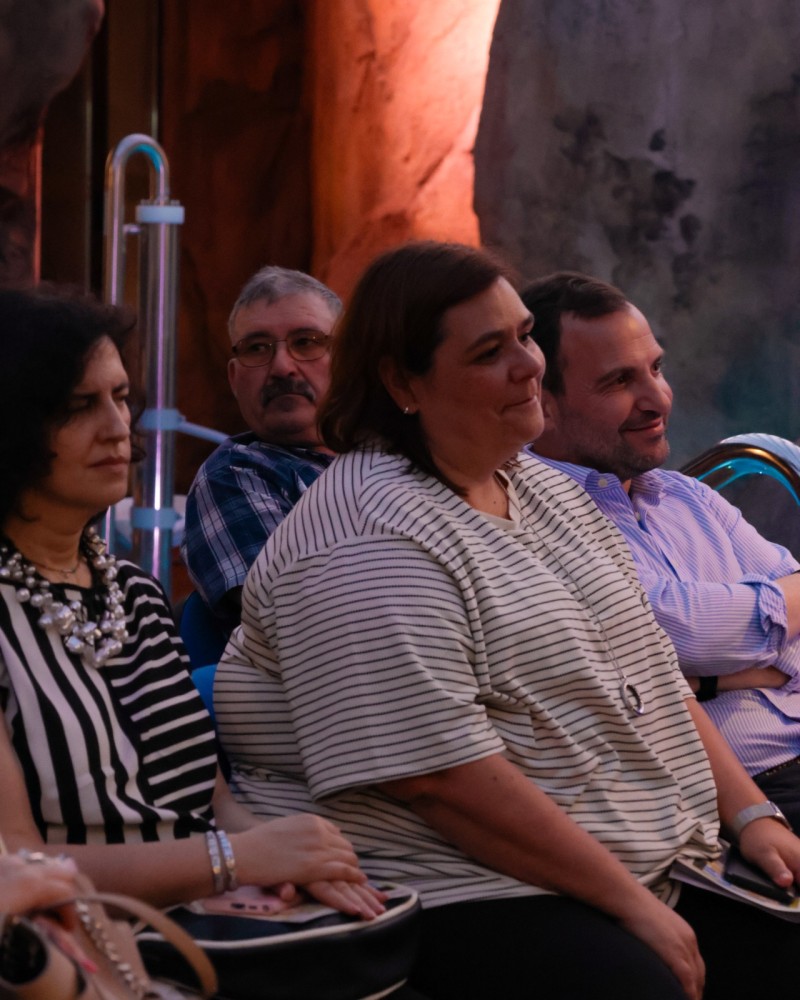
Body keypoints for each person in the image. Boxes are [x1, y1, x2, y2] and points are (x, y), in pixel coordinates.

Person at [215, 240, 800, 1000]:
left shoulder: (544, 492)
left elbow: (655, 675)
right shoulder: (367, 531)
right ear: (402, 382)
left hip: (646, 856)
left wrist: (753, 817)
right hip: (459, 882)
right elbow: (439, 779)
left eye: (525, 335)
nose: (530, 367)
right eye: (490, 352)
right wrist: (632, 907)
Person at [0, 285, 384, 921]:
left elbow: (215, 805)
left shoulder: (135, 593)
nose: (118, 427)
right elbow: (15, 865)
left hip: (206, 910)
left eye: (121, 397)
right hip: (78, 939)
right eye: (78, 406)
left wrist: (299, 864)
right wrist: (235, 859)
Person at [522, 271, 800, 832]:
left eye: (655, 368)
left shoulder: (686, 495)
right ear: (542, 402)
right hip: (743, 797)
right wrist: (744, 655)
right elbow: (677, 631)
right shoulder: (526, 512)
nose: (657, 399)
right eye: (619, 381)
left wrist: (713, 673)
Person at [182, 266, 340, 633]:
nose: (282, 367)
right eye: (257, 349)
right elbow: (302, 620)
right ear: (234, 379)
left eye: (307, 342)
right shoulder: (235, 476)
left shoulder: (399, 457)